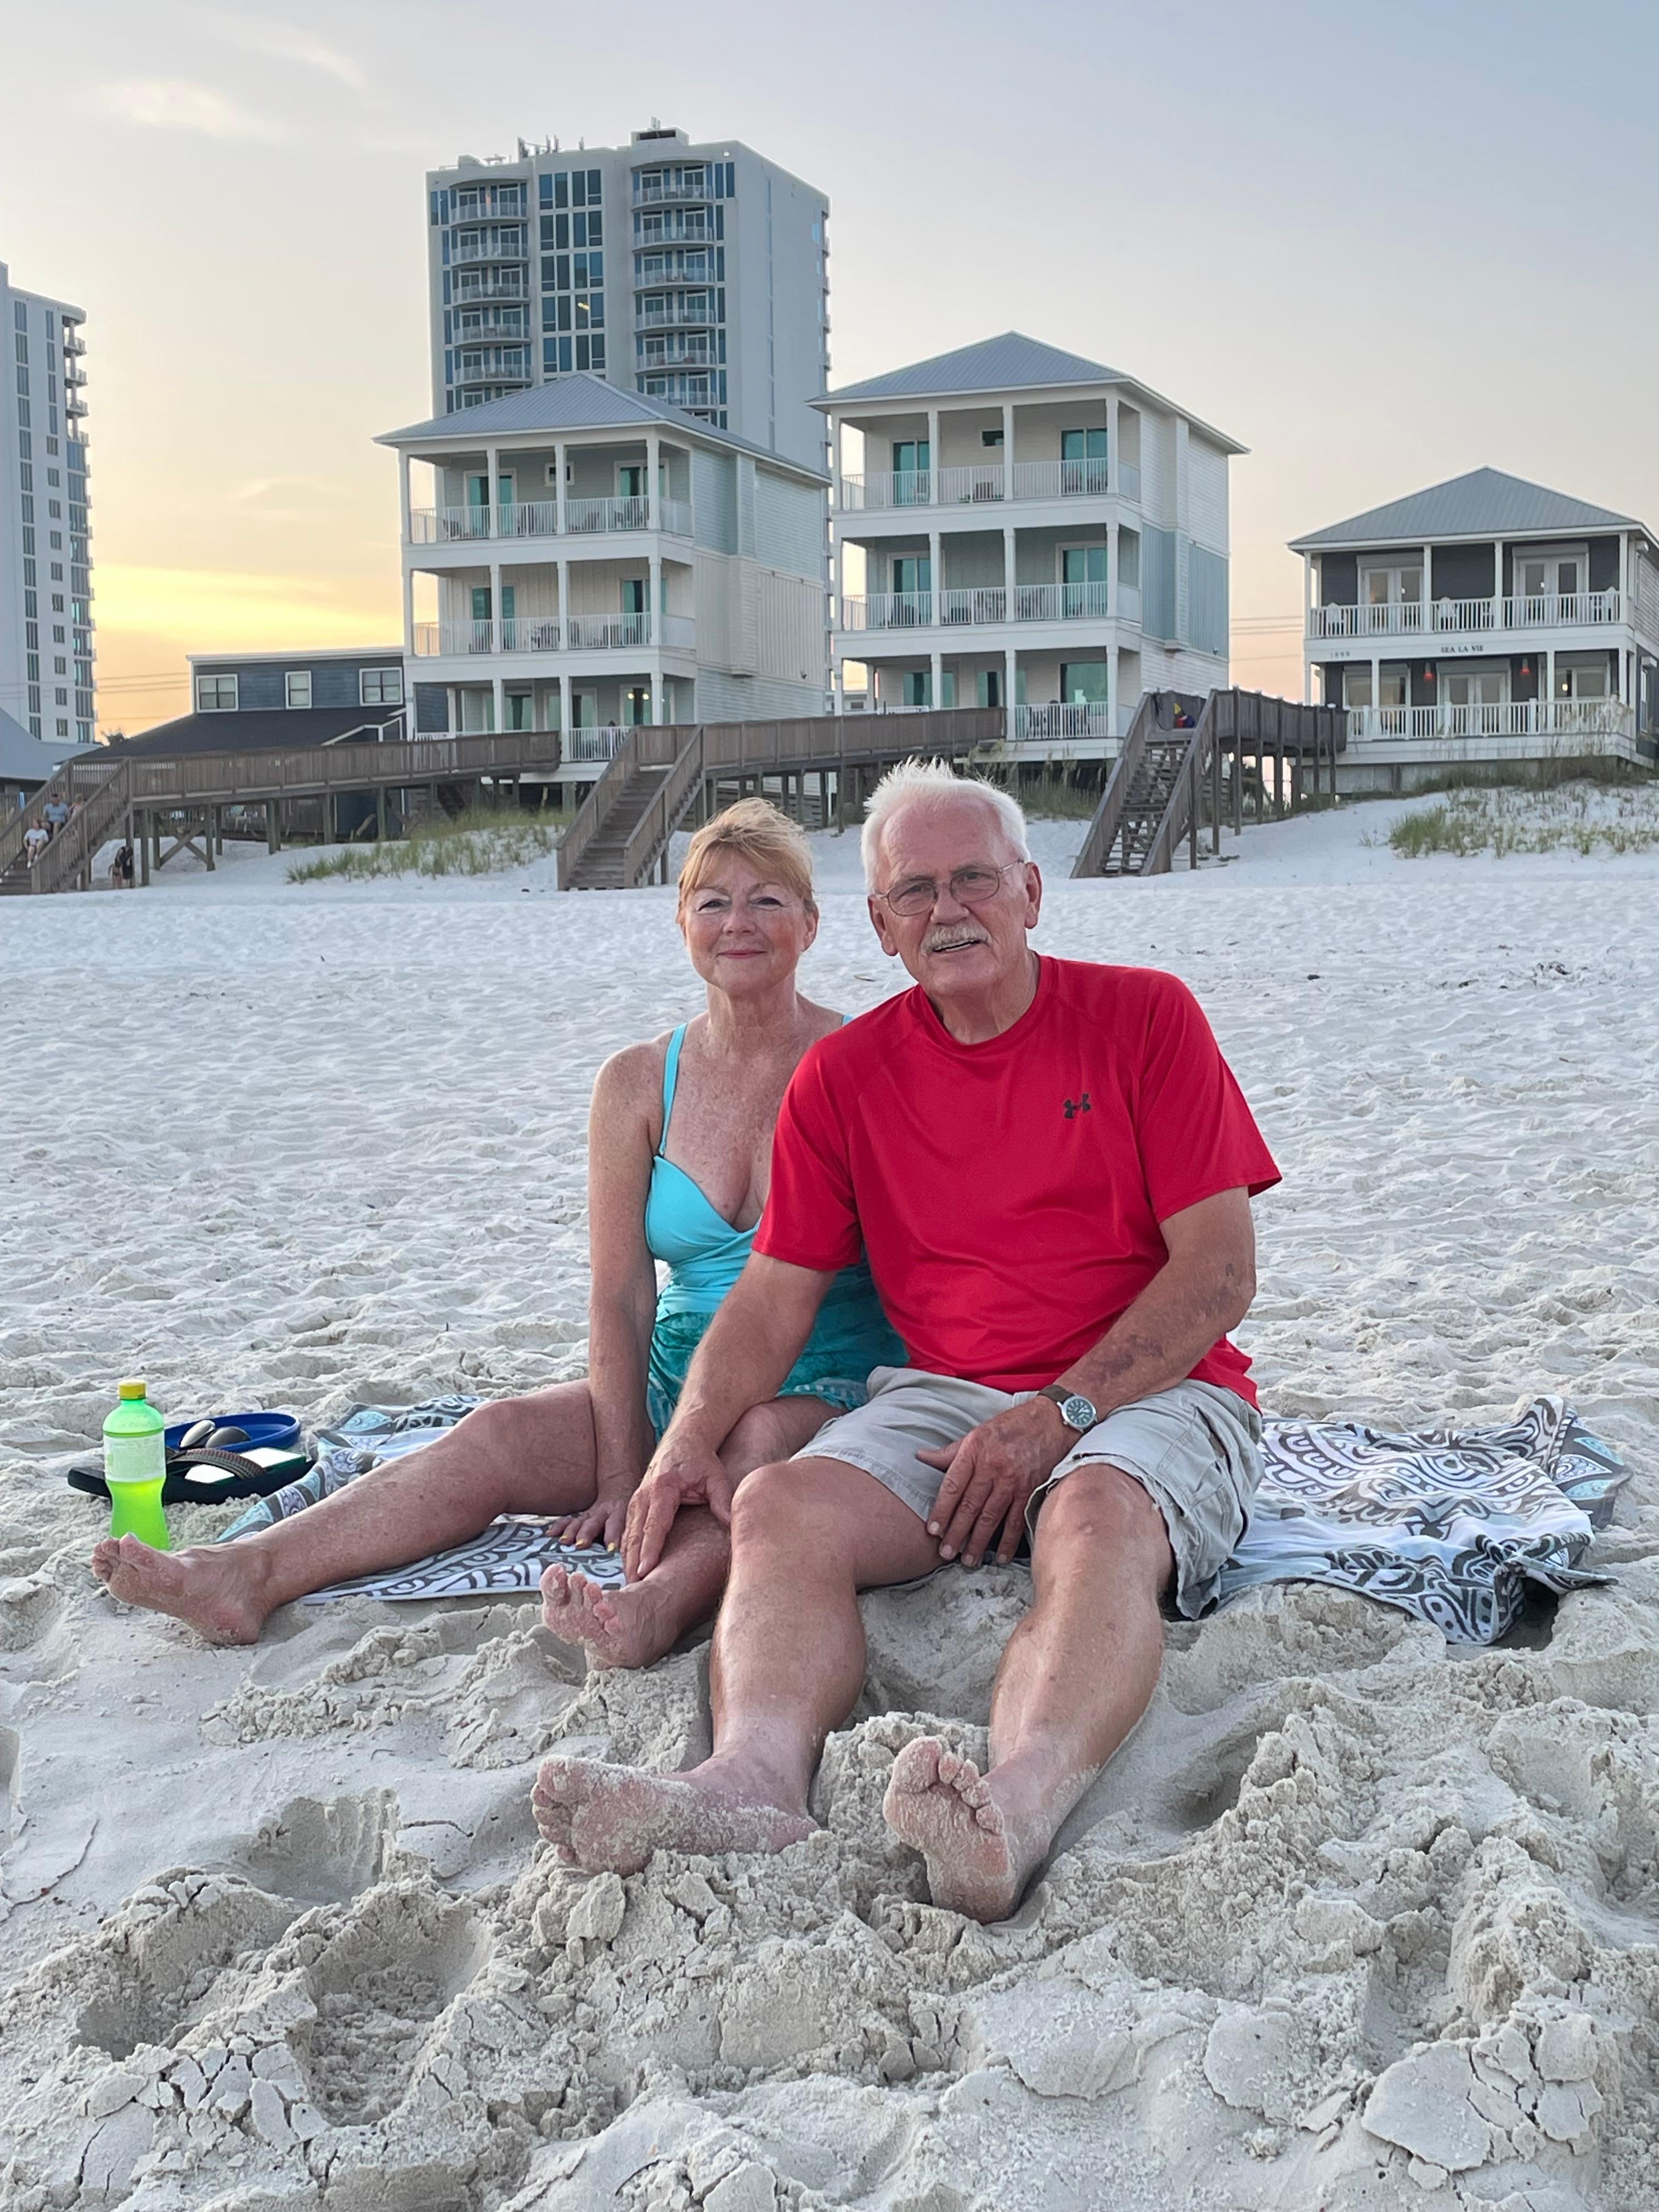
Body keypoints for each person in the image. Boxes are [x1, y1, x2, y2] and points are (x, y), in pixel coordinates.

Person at [533, 760, 1280, 1921]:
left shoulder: (1146, 1017)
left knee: (1091, 1518)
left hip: (1151, 1391)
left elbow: (1220, 1275)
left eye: (974, 879)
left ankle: (1015, 1807)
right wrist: (685, 1442)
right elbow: (772, 1297)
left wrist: (1057, 1417)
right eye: (916, 892)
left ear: (1031, 892)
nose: (949, 911)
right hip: (943, 1396)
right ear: (882, 928)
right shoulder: (845, 1077)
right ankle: (753, 1779)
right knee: (777, 1503)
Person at [92, 799, 902, 1661]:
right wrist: (618, 1474)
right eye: (714, 902)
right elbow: (621, 1294)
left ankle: (653, 1607)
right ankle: (245, 1573)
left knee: (750, 1445)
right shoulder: (637, 1083)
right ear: (681, 922)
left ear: (811, 924)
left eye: (767, 900)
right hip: (674, 1371)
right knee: (497, 1432)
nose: (738, 923)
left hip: (825, 1378)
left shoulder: (862, 1065)